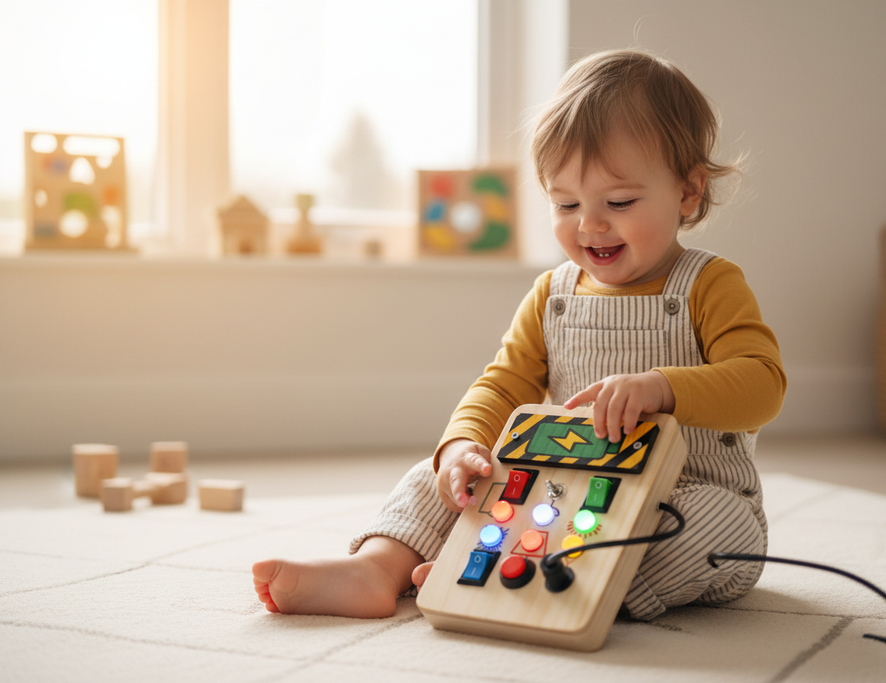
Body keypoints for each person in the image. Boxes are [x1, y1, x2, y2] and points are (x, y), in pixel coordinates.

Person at [253, 48, 786, 621]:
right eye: (566, 203)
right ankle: (378, 569)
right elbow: (502, 383)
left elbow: (763, 384)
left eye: (620, 202)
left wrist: (663, 388)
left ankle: (540, 583)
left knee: (714, 528)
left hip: (688, 496)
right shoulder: (552, 295)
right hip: (568, 493)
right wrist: (462, 447)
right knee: (443, 478)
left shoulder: (711, 284)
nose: (590, 224)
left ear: (688, 192)